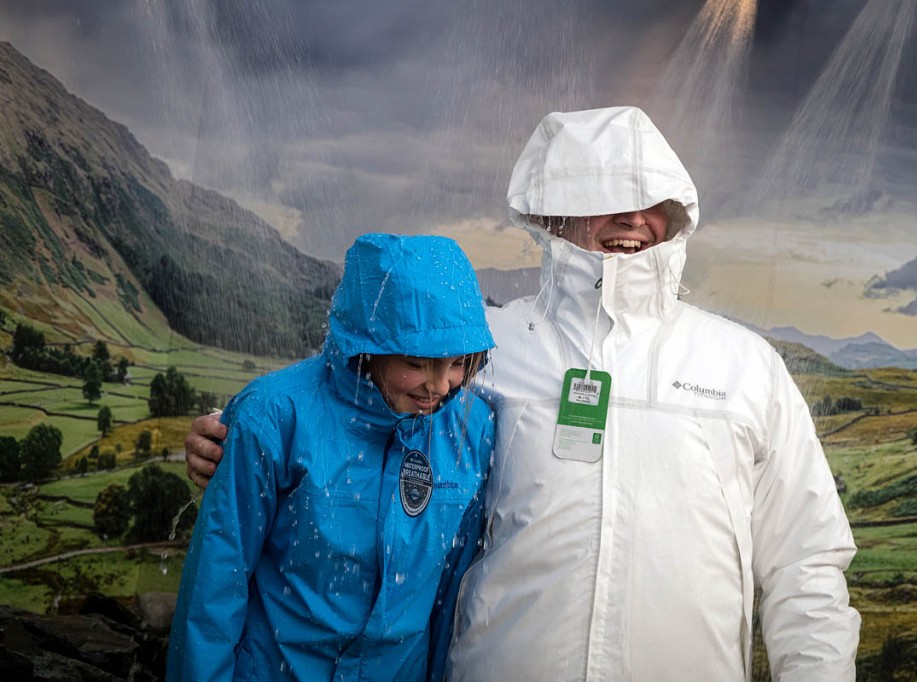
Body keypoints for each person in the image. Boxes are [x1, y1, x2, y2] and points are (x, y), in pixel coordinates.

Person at [187, 107, 861, 681]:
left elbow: (807, 563)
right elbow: (347, 403)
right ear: (555, 210)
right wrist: (232, 441)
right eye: (606, 196)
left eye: (654, 202)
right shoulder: (489, 352)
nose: (633, 217)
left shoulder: (745, 367)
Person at [167, 233, 495, 681]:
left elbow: (449, 599)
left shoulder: (470, 432)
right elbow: (215, 589)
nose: (439, 386)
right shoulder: (275, 416)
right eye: (417, 364)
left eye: (458, 363)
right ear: (368, 343)